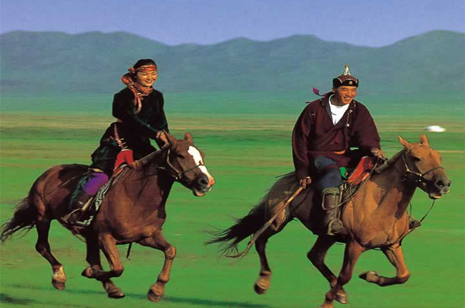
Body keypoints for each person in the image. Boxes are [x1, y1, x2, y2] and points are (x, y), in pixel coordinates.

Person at [63, 59, 169, 224]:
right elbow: (131, 120)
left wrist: (168, 145)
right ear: (135, 74)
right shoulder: (122, 96)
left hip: (141, 145)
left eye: (153, 73)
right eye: (145, 73)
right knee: (102, 176)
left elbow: (161, 123)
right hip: (118, 142)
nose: (150, 77)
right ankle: (77, 209)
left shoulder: (157, 97)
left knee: (158, 172)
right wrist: (155, 134)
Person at [292, 65, 386, 236]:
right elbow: (300, 140)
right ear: (334, 89)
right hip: (318, 156)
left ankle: (390, 217)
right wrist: (302, 170)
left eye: (353, 90)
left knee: (382, 168)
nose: (349, 94)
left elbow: (367, 135)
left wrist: (373, 148)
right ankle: (330, 220)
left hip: (345, 155)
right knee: (333, 173)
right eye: (344, 89)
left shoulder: (359, 110)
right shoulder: (314, 109)